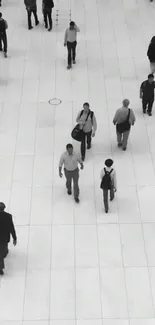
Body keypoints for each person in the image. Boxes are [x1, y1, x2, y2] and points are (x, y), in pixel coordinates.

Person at [0, 203, 17, 275]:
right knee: (2, 252)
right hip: (4, 238)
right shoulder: (8, 216)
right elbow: (11, 228)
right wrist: (14, 238)